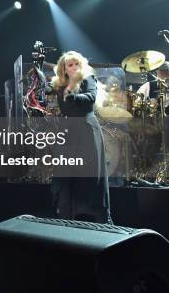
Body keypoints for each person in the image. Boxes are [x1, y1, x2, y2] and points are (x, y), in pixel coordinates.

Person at [47, 51, 112, 224]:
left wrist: (73, 95)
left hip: (87, 129)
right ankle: (66, 216)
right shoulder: (60, 85)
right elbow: (61, 106)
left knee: (89, 173)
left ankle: (98, 219)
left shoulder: (88, 79)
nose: (74, 67)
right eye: (70, 65)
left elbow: (91, 97)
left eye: (77, 64)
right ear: (64, 69)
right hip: (69, 132)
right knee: (66, 173)